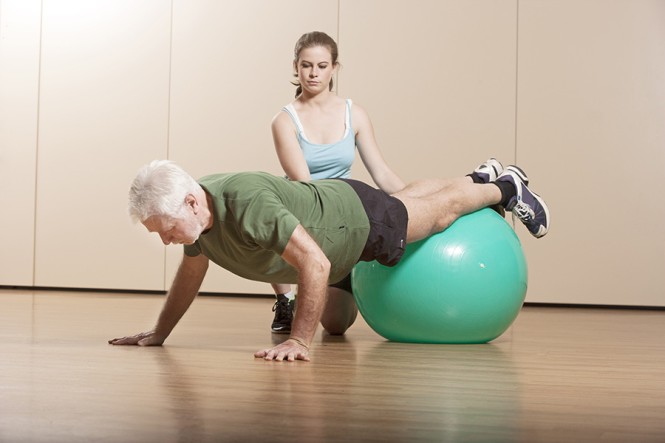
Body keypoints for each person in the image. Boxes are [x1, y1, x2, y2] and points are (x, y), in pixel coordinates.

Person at [109, 159, 550, 362]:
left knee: (436, 215)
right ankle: (478, 176)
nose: (166, 241)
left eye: (166, 230)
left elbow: (314, 265)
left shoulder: (244, 202)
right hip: (331, 239)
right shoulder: (199, 219)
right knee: (336, 323)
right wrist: (160, 333)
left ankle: (504, 187)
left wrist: (299, 342)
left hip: (351, 224)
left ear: (190, 202)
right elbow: (191, 272)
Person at [268, 31, 407, 335]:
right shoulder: (284, 121)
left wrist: (410, 203)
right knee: (273, 222)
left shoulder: (354, 114)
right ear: (296, 66)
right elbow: (305, 186)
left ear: (334, 68)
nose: (313, 73)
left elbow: (380, 172)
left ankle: (348, 276)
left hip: (343, 213)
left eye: (321, 65)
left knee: (336, 324)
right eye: (306, 65)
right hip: (304, 210)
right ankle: (285, 299)